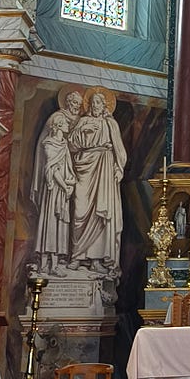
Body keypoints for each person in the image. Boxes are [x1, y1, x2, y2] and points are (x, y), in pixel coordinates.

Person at [68, 90, 126, 269]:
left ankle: (96, 260)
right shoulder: (83, 121)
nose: (94, 106)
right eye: (92, 103)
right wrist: (82, 131)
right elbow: (71, 144)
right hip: (85, 166)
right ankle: (77, 256)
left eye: (98, 103)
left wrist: (119, 168)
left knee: (101, 212)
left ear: (104, 105)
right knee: (80, 210)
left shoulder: (110, 123)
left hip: (105, 167)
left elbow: (119, 148)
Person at [31, 97, 78, 272]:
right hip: (53, 191)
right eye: (65, 123)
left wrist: (71, 183)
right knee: (50, 223)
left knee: (61, 225)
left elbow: (68, 169)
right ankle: (44, 263)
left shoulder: (64, 145)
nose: (68, 125)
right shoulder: (48, 144)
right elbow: (52, 169)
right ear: (58, 126)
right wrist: (65, 186)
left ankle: (56, 263)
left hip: (63, 191)